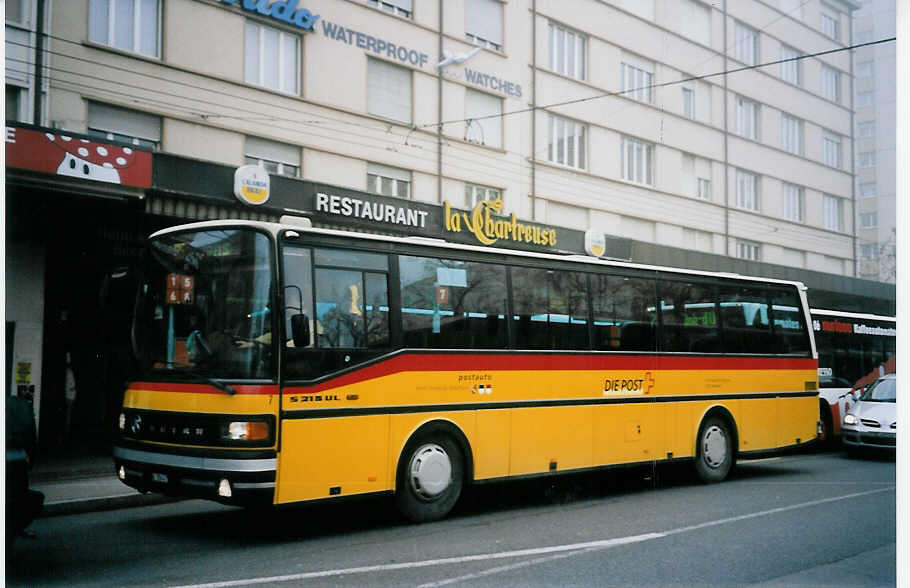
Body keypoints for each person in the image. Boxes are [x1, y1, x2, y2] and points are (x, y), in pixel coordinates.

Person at [6, 394, 44, 543]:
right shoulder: (21, 406)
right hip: (17, 462)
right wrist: (30, 462)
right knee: (18, 498)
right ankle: (16, 528)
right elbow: (31, 439)